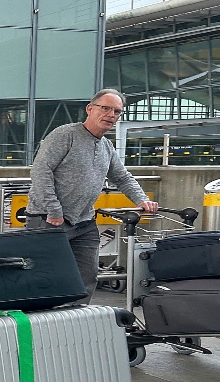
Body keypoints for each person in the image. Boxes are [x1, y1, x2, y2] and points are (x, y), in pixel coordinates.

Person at [27, 88, 160, 303]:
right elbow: (41, 170)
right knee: (45, 277)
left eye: (117, 111)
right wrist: (53, 210)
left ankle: (77, 321)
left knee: (87, 276)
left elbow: (122, 177)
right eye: (105, 108)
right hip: (48, 219)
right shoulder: (65, 134)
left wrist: (142, 199)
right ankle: (41, 323)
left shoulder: (106, 146)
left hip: (84, 221)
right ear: (90, 109)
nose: (111, 115)